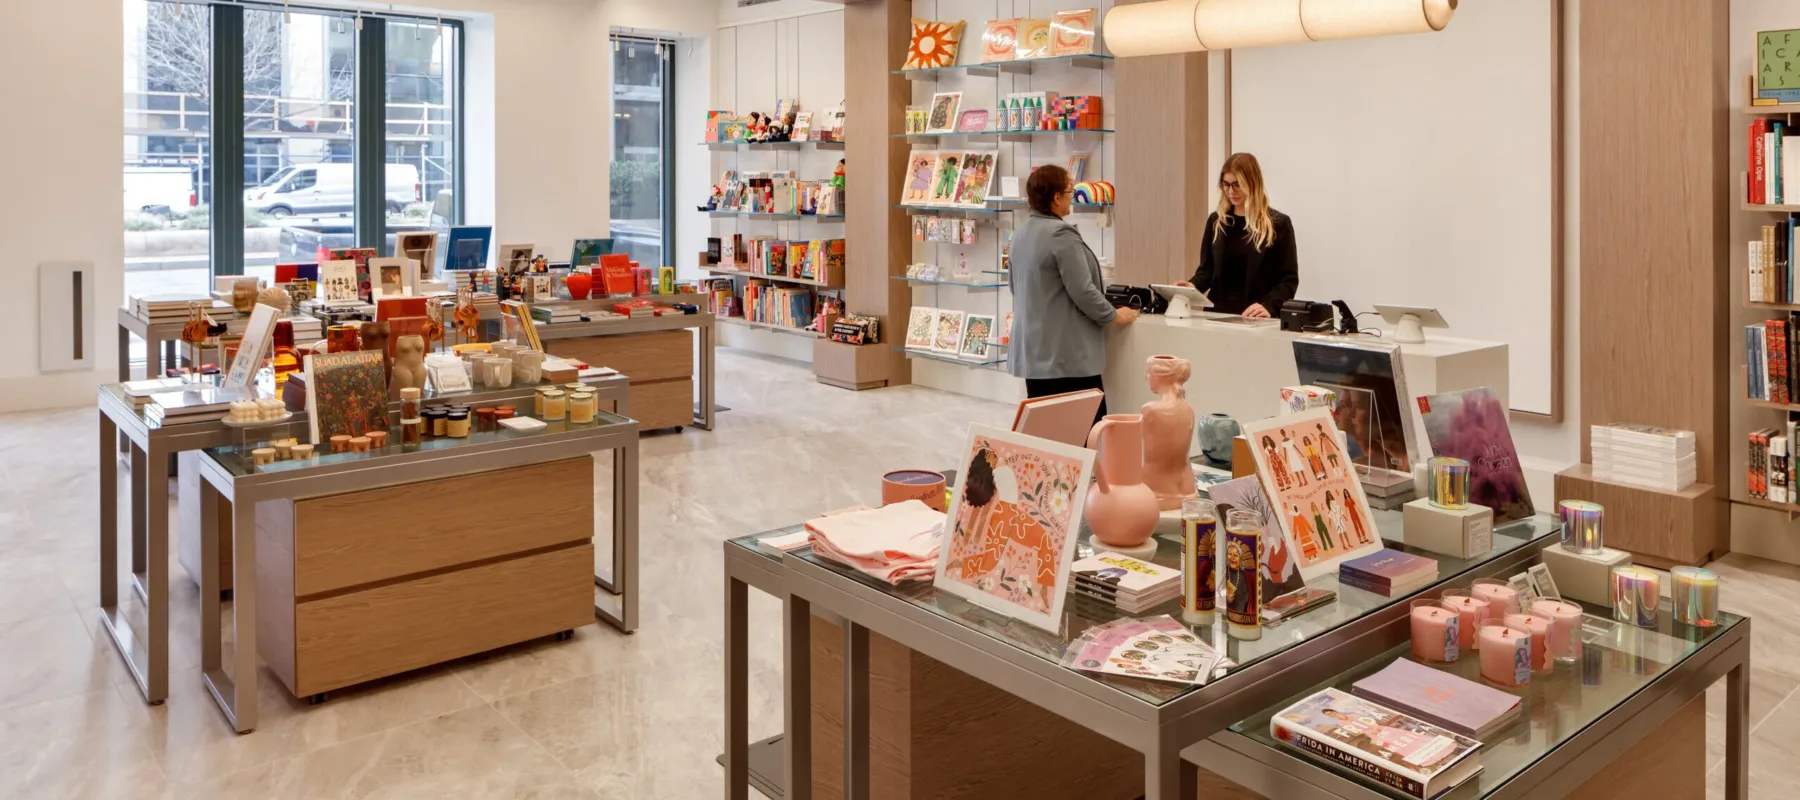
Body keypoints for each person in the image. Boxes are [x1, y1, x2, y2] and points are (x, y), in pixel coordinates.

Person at [1008, 165, 1136, 420]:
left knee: (1047, 433)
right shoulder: (1061, 234)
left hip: (1034, 357)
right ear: (1056, 198)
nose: (1072, 196)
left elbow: (1015, 286)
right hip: (1066, 360)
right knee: (1090, 432)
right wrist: (1113, 315)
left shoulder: (1020, 234)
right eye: (1070, 191)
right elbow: (1084, 291)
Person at [1177, 153, 1298, 318]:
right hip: (1217, 316)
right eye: (1226, 185)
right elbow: (1207, 271)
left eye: (1237, 185)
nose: (1230, 191)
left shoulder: (1278, 224)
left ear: (1252, 183)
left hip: (1256, 318)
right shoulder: (1216, 221)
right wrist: (1191, 287)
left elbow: (1288, 280)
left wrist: (1269, 306)